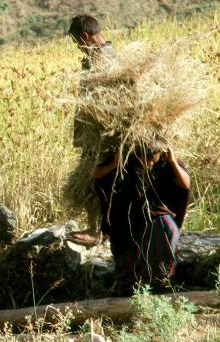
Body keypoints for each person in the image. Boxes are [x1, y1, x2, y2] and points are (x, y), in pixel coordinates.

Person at [93, 147, 190, 295]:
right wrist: (114, 164)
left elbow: (185, 184)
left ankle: (160, 282)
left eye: (153, 159)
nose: (150, 163)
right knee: (127, 244)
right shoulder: (127, 156)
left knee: (168, 227)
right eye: (146, 159)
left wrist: (173, 162)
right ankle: (130, 288)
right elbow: (96, 174)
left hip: (156, 213)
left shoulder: (165, 160)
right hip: (126, 217)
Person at [65, 14, 114, 247]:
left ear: (84, 37)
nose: (78, 48)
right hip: (93, 133)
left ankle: (97, 231)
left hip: (101, 134)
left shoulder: (104, 61)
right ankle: (100, 229)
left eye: (77, 42)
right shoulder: (104, 58)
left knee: (96, 179)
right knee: (96, 179)